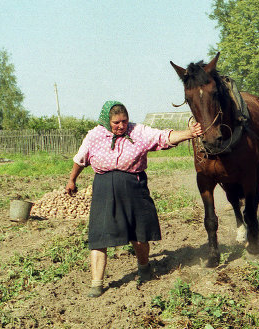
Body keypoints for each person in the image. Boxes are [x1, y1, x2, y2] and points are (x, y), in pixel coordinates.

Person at [66, 101, 203, 297]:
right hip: (104, 189)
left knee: (139, 235)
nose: (121, 126)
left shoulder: (138, 131)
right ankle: (96, 283)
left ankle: (144, 267)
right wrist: (72, 180)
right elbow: (80, 159)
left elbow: (162, 136)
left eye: (124, 121)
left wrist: (188, 134)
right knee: (99, 237)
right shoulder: (95, 135)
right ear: (106, 121)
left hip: (134, 186)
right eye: (116, 122)